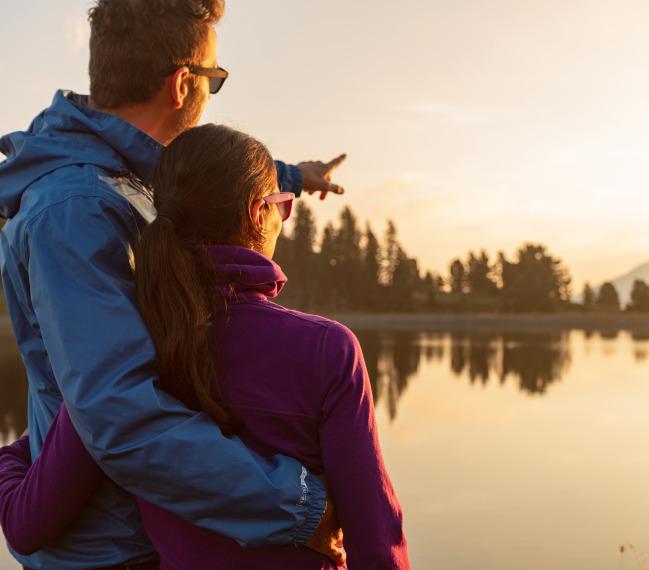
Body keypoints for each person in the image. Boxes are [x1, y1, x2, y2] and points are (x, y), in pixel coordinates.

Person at [0, 1, 350, 567]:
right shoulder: (77, 212)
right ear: (183, 84)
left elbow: (196, 182)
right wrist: (298, 506)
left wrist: (290, 177)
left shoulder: (110, 173)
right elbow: (118, 414)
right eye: (216, 79)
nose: (213, 92)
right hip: (109, 552)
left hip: (150, 533)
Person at [0, 123, 409, 569]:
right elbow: (376, 545)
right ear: (257, 215)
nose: (283, 220)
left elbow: (27, 525)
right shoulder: (328, 352)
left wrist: (12, 454)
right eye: (282, 207)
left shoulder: (128, 356)